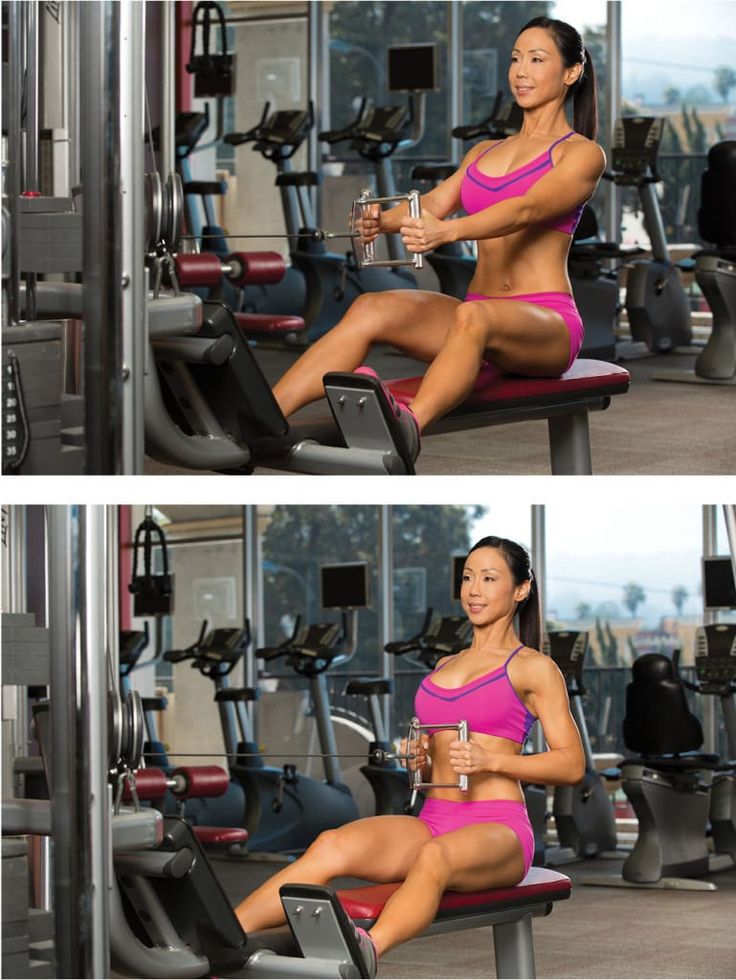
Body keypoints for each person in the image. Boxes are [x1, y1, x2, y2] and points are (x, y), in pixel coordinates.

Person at [234, 535, 585, 977]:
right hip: (434, 820)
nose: (473, 590)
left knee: (433, 858)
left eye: (489, 578)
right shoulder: (444, 666)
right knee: (331, 844)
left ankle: (364, 952)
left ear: (520, 590)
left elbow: (572, 764)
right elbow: (432, 753)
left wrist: (491, 761)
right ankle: (225, 937)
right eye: (467, 578)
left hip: (498, 828)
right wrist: (416, 757)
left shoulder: (533, 667)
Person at [271, 17, 605, 464]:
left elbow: (525, 209)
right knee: (372, 307)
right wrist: (382, 221)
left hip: (545, 324)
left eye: (537, 59)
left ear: (570, 72)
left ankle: (407, 429)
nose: (521, 71)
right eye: (515, 59)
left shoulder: (580, 153)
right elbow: (431, 204)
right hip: (477, 316)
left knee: (475, 316)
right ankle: (265, 419)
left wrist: (449, 233)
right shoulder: (484, 152)